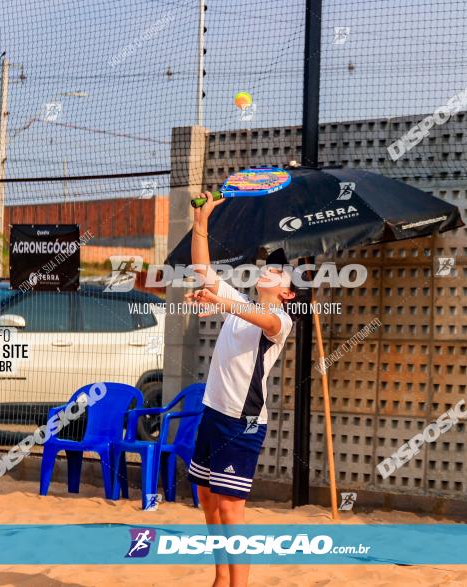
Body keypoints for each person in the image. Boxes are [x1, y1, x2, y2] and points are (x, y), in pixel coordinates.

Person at [185, 192, 296, 587]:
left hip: (242, 424)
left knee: (232, 510)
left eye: (279, 272)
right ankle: (220, 579)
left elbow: (253, 315)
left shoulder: (281, 321)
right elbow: (203, 268)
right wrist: (202, 222)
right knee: (209, 502)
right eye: (268, 266)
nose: (270, 269)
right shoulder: (241, 303)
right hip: (213, 414)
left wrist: (218, 300)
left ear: (287, 292)